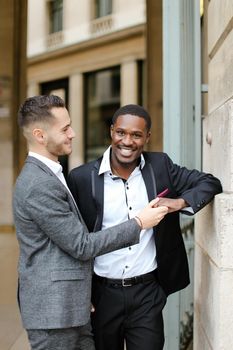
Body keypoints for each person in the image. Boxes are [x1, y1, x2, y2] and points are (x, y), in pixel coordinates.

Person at [13, 96, 168, 350]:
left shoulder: (52, 174)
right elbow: (81, 245)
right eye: (64, 129)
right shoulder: (37, 185)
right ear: (40, 135)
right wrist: (139, 222)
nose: (73, 134)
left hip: (71, 308)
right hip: (54, 314)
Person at [68, 104, 222, 350]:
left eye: (136, 135)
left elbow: (210, 182)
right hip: (102, 294)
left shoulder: (160, 167)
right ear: (111, 132)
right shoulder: (81, 178)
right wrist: (79, 293)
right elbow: (74, 242)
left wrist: (179, 202)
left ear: (147, 137)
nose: (127, 141)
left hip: (147, 294)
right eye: (121, 133)